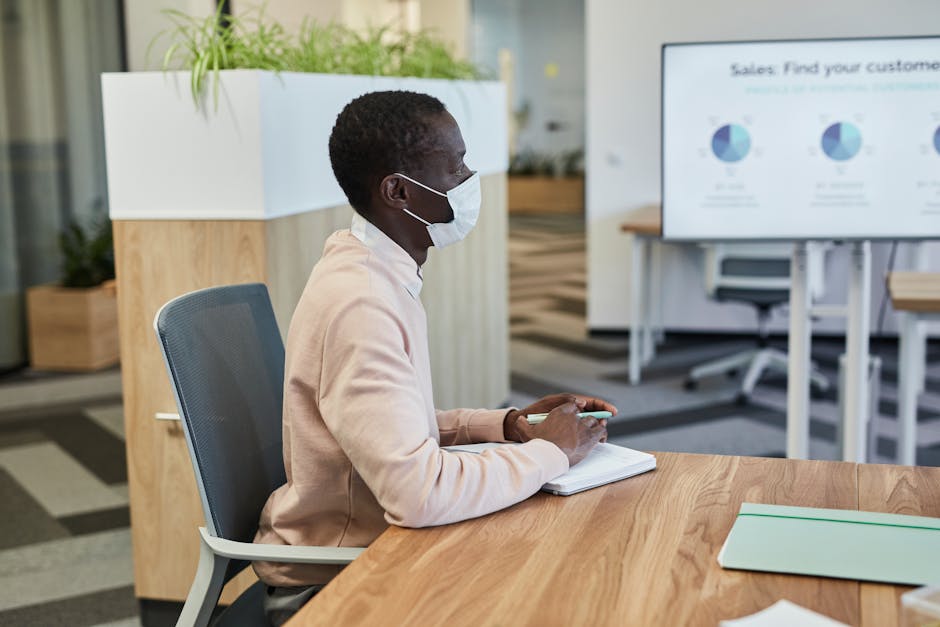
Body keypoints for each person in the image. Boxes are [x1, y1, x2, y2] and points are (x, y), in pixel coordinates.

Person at [253, 90, 615, 625]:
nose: (469, 181)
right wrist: (552, 454)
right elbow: (417, 494)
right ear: (398, 191)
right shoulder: (364, 305)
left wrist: (509, 426)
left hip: (375, 544)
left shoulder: (371, 271)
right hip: (339, 578)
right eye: (456, 167)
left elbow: (389, 433)